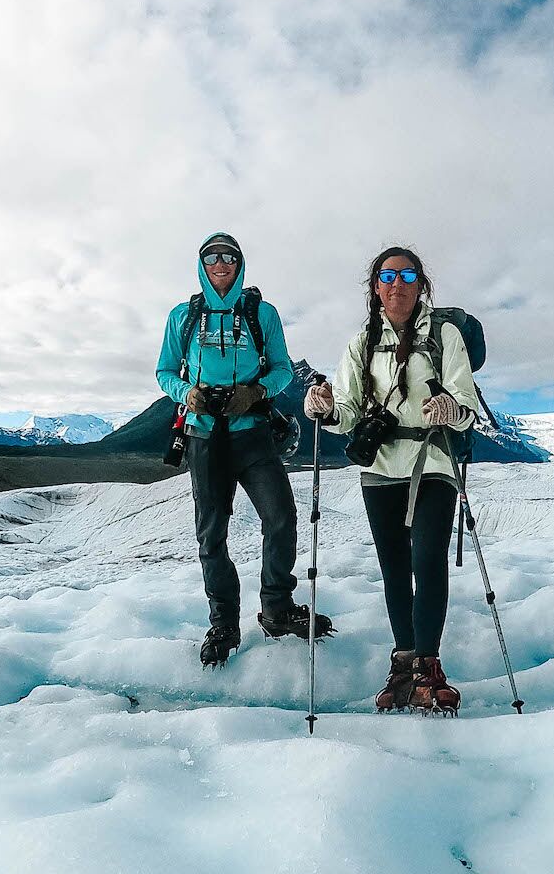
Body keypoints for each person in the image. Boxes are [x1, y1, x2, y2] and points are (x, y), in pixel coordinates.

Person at [304, 246, 479, 712]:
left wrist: (452, 409)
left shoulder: (444, 336)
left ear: (421, 284)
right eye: (387, 276)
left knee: (427, 560)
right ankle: (406, 660)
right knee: (395, 569)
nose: (396, 284)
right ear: (376, 287)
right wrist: (323, 408)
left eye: (406, 275)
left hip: (432, 464)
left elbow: (466, 402)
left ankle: (427, 663)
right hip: (381, 470)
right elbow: (345, 410)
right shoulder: (362, 342)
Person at [157, 232, 333, 666]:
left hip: (251, 432)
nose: (221, 265)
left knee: (281, 517)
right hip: (202, 434)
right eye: (212, 258)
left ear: (239, 263)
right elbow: (164, 371)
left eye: (229, 257)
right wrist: (187, 394)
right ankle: (224, 623)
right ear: (202, 265)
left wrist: (254, 393)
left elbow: (282, 371)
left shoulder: (261, 314)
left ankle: (276, 607)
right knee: (211, 535)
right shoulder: (183, 317)